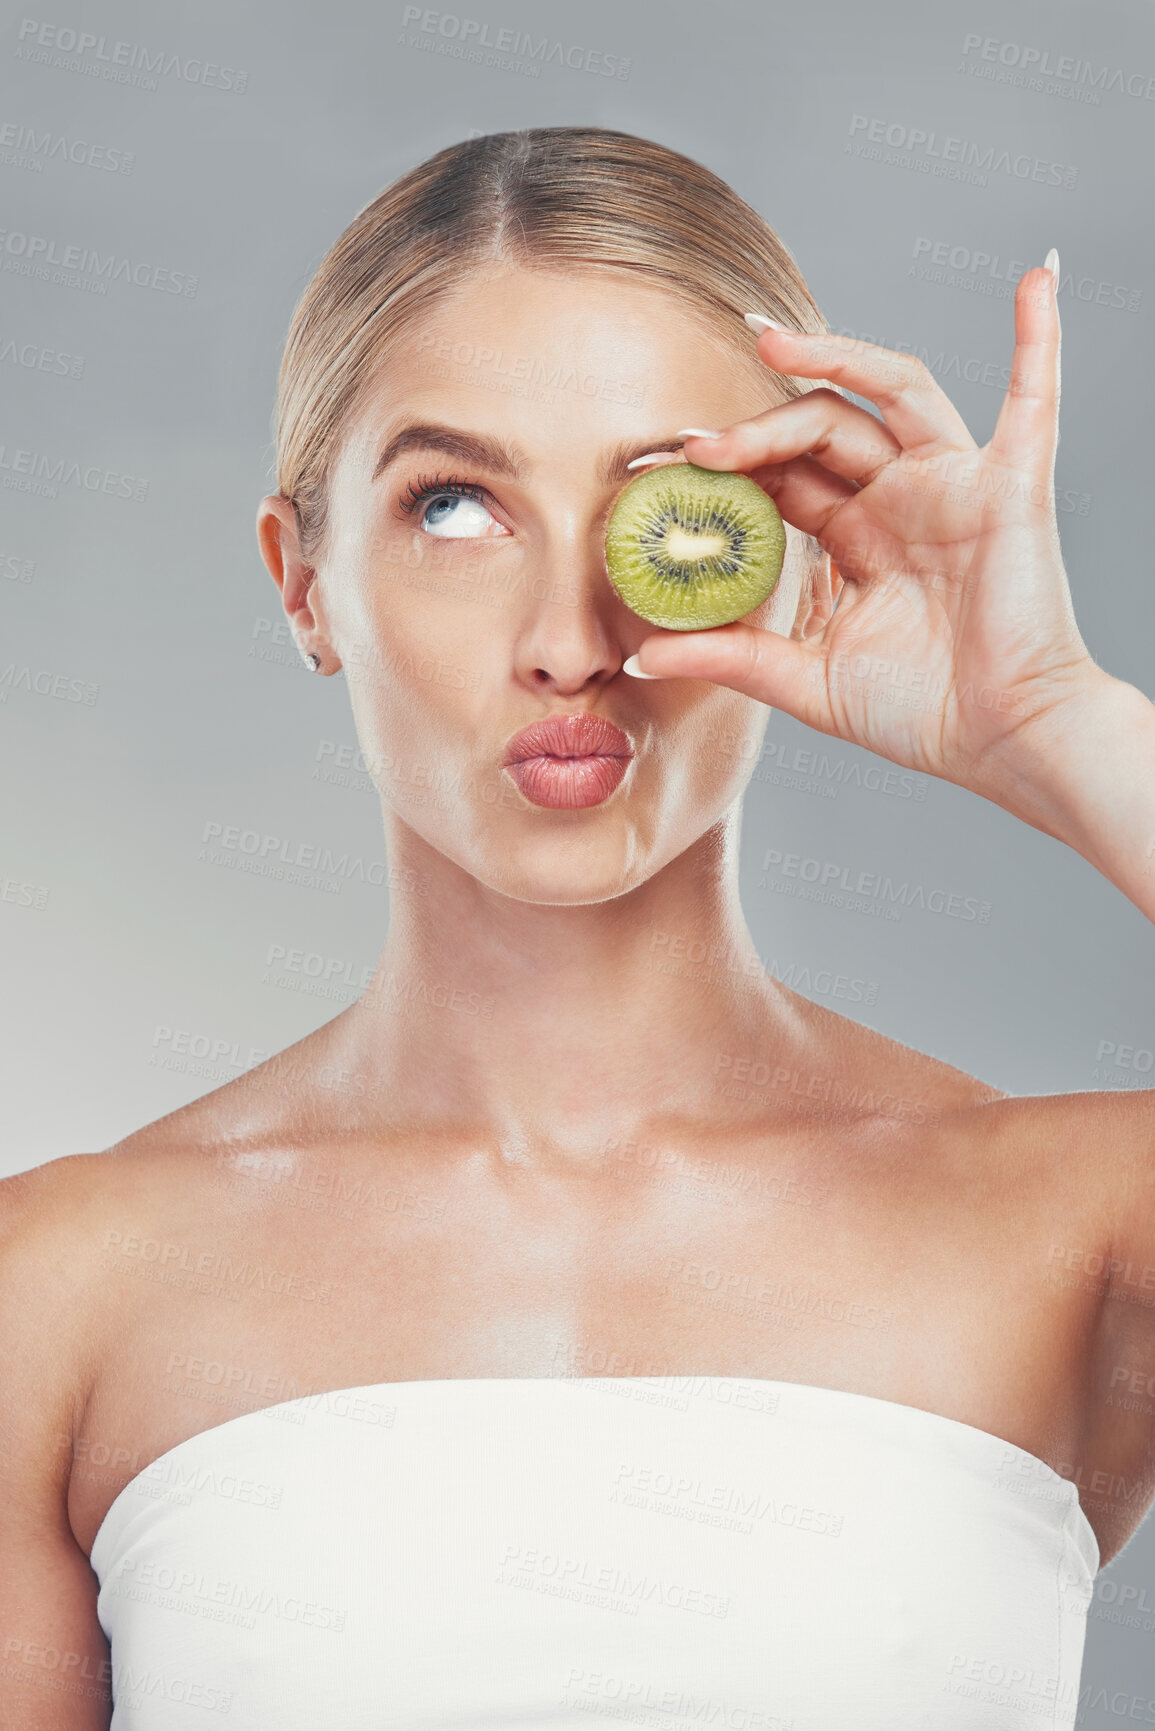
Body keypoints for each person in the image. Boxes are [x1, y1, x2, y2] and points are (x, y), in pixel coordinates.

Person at [2, 125, 1153, 1729]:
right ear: (305, 584)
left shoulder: (1085, 1224)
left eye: (665, 506)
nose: (567, 642)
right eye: (458, 508)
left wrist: (1058, 721)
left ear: (803, 566)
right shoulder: (54, 1292)